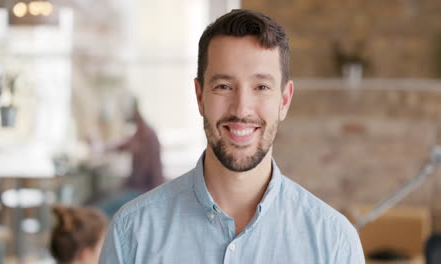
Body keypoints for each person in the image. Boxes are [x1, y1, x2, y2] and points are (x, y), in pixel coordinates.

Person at [99, 9, 365, 263]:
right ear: (200, 96)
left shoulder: (334, 241)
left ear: (284, 100)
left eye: (261, 87)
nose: (241, 108)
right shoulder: (132, 232)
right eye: (224, 86)